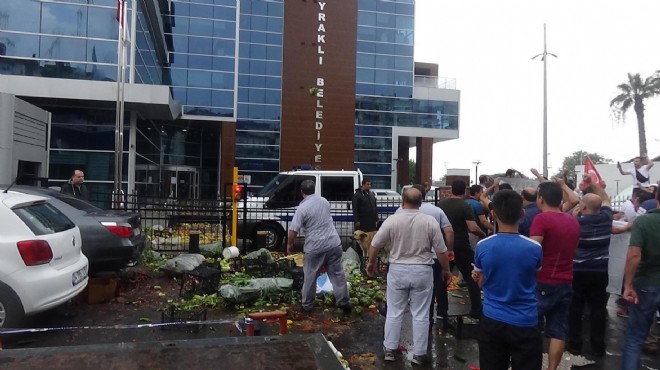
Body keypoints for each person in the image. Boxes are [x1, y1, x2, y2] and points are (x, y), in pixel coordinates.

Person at [367, 187, 452, 365]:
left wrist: (371, 262)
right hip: (422, 270)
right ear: (421, 203)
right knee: (421, 314)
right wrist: (446, 269)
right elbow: (441, 250)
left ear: (402, 201)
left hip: (397, 270)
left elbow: (375, 244)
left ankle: (390, 349)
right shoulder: (429, 221)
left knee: (394, 311)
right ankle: (419, 354)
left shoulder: (393, 220)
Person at [472, 189, 543, 370]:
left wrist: (480, 279)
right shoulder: (535, 248)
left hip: (492, 319)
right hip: (526, 321)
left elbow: (481, 281)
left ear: (493, 214)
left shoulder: (483, 246)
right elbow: (534, 276)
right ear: (522, 213)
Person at [529, 180, 581, 370]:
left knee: (530, 327)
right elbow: (574, 252)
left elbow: (533, 250)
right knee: (558, 331)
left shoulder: (541, 219)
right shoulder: (572, 221)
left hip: (543, 281)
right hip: (566, 281)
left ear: (540, 199)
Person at [393, 184, 455, 328]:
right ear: (423, 196)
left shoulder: (400, 211)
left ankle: (425, 320)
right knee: (440, 286)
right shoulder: (437, 210)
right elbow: (449, 231)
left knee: (419, 293)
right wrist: (449, 250)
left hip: (409, 257)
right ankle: (442, 315)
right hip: (435, 256)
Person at [287, 180, 351, 313]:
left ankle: (307, 305)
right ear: (313, 189)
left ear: (301, 192)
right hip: (333, 243)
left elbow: (293, 229)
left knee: (310, 276)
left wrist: (289, 243)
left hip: (315, 247)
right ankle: (344, 302)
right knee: (337, 274)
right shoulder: (324, 201)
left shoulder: (302, 208)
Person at [566, 181, 613, 357]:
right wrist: (593, 183)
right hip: (600, 272)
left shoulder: (575, 222)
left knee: (575, 308)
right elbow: (606, 198)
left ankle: (575, 344)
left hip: (577, 271)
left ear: (583, 207)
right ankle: (598, 346)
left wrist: (575, 215)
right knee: (598, 309)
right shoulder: (607, 218)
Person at [621, 189, 660, 370]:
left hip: (646, 284)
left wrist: (628, 285)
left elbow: (634, 255)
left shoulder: (644, 222)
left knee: (635, 338)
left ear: (656, 198)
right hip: (648, 283)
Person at [439, 180, 487, 321]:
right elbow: (472, 227)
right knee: (472, 278)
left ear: (452, 190)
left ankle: (442, 312)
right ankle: (476, 311)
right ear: (465, 191)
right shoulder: (464, 205)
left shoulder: (441, 205)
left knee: (443, 278)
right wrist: (483, 235)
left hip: (444, 246)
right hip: (461, 246)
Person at [352, 178, 378, 248]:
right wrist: (357, 220)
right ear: (363, 185)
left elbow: (374, 206)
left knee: (371, 238)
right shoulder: (357, 195)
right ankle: (361, 253)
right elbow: (355, 208)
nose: (369, 186)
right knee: (362, 237)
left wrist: (376, 217)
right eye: (367, 184)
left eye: (370, 184)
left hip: (371, 221)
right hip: (363, 221)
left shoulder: (371, 194)